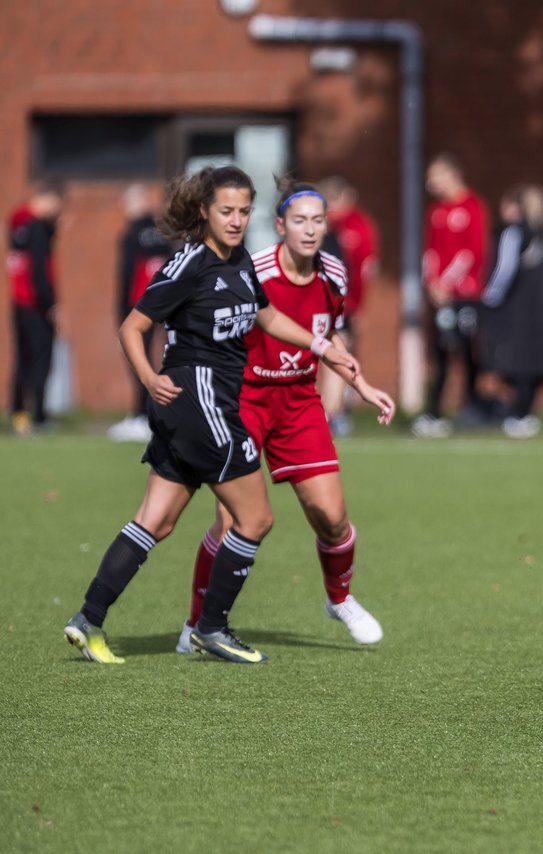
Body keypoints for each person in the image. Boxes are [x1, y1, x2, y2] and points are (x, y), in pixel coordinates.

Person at [62, 165, 360, 666]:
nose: (237, 220)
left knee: (155, 521)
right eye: (227, 211)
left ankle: (87, 619)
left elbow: (264, 314)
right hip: (200, 402)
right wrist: (148, 377)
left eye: (244, 211)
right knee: (255, 517)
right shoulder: (189, 264)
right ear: (204, 211)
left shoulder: (239, 260)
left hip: (199, 407)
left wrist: (319, 345)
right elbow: (132, 327)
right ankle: (211, 629)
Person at [176, 177, 394, 654]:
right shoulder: (253, 271)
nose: (310, 230)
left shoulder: (335, 272)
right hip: (246, 401)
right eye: (300, 221)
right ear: (280, 226)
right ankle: (196, 624)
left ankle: (340, 599)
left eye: (318, 220)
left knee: (332, 517)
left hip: (298, 404)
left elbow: (330, 337)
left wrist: (363, 385)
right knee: (231, 520)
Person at [412, 153, 489, 438]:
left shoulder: (472, 206)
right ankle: (434, 413)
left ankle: (472, 406)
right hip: (439, 297)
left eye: (435, 175)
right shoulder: (436, 211)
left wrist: (447, 283)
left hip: (465, 295)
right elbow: (430, 251)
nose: (430, 182)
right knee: (441, 353)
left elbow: (472, 253)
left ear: (452, 175)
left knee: (469, 351)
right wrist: (431, 283)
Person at [482, 184, 543, 439]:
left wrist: (487, 300)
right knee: (532, 366)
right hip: (542, 313)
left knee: (516, 363)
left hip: (518, 314)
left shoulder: (516, 233)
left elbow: (503, 272)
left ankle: (517, 415)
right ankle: (522, 414)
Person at [316, 175, 380, 437]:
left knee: (335, 356)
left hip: (341, 306)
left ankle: (332, 414)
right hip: (318, 305)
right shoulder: (323, 229)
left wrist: (357, 305)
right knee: (327, 356)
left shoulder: (354, 226)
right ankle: (328, 414)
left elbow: (364, 269)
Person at [108, 182, 172, 442]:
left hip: (139, 305)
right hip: (166, 302)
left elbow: (127, 272)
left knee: (138, 358)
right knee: (168, 356)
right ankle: (156, 414)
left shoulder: (132, 233)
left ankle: (142, 415)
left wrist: (122, 306)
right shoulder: (162, 232)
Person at [7, 180, 65, 435]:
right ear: (51, 198)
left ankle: (19, 414)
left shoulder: (18, 223)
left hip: (18, 302)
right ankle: (39, 416)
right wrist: (51, 305)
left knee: (22, 360)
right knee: (41, 361)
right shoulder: (38, 227)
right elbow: (40, 271)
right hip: (36, 305)